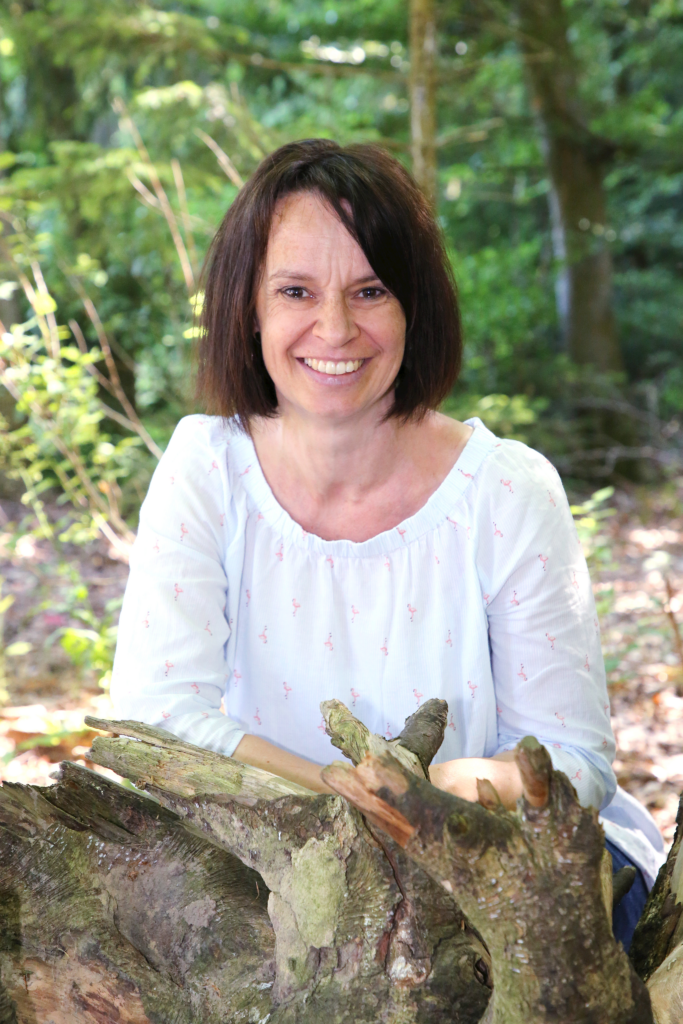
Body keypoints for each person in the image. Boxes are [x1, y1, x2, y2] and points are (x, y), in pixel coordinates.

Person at [111, 138, 664, 949]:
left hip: (499, 882)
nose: (334, 328)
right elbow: (153, 717)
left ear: (414, 306)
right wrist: (341, 792)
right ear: (248, 308)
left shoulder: (507, 491)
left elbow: (574, 760)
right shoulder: (206, 469)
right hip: (274, 878)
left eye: (369, 290)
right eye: (296, 290)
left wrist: (431, 792)